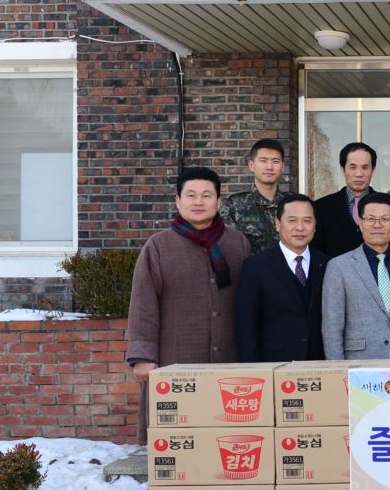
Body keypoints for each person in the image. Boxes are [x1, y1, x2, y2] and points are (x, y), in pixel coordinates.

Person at [127, 167, 252, 442]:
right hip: (176, 362)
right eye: (191, 195)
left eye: (206, 195)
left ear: (219, 202)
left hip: (230, 362)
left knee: (228, 438)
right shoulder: (158, 247)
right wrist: (143, 357)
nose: (198, 202)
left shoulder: (237, 243)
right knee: (177, 441)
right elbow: (143, 306)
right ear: (177, 201)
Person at [323, 192, 390, 360]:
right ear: (360, 223)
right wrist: (337, 370)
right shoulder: (339, 266)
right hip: (359, 364)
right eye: (370, 219)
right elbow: (332, 328)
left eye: (384, 219)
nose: (377, 225)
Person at [236, 193, 327, 363]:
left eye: (307, 221)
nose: (300, 227)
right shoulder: (256, 266)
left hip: (320, 361)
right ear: (278, 224)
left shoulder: (328, 264)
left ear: (315, 225)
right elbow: (247, 325)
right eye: (292, 220)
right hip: (274, 362)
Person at [219, 139, 286, 254]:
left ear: (282, 167)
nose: (269, 167)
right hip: (249, 270)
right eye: (263, 161)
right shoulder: (233, 206)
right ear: (251, 165)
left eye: (275, 161)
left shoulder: (293, 204)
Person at [311, 142, 377, 259]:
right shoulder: (321, 207)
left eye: (365, 167)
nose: (359, 174)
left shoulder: (389, 206)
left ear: (373, 170)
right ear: (343, 169)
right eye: (352, 167)